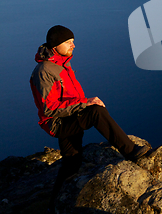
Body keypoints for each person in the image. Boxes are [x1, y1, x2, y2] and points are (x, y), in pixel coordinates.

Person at [30, 25, 149, 212]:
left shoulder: (62, 64)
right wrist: (85, 104)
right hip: (58, 122)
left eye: (73, 41)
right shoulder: (45, 70)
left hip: (68, 116)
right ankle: (130, 150)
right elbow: (49, 108)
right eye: (68, 42)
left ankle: (53, 207)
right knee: (96, 112)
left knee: (72, 161)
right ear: (55, 46)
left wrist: (82, 103)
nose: (73, 45)